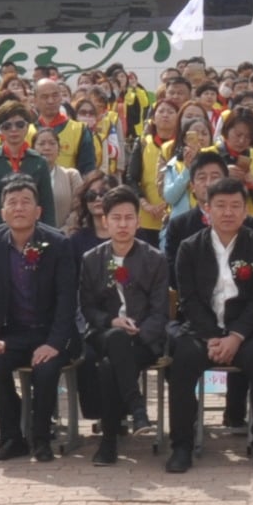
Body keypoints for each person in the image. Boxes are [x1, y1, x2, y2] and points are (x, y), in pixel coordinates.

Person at [167, 167, 253, 473]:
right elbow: (188, 300)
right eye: (220, 206)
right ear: (207, 209)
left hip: (245, 331)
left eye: (235, 206)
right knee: (182, 360)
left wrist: (235, 336)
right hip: (202, 331)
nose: (228, 213)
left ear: (245, 211)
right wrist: (212, 337)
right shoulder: (189, 248)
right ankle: (181, 445)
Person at [0, 179, 76, 461]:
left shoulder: (57, 243)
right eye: (12, 202)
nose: (19, 208)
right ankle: (12, 438)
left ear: (39, 211)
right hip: (11, 332)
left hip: (50, 332)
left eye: (26, 202)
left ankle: (41, 438)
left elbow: (67, 298)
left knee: (45, 369)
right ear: (3, 211)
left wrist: (55, 343)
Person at [75, 189, 166, 464]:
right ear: (105, 221)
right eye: (117, 218)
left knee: (109, 365)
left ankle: (109, 442)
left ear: (138, 222)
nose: (123, 224)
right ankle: (137, 408)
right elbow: (87, 307)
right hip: (103, 334)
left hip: (142, 341)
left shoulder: (155, 259)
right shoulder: (92, 259)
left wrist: (138, 333)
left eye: (129, 218)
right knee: (114, 338)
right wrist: (110, 321)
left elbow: (160, 311)